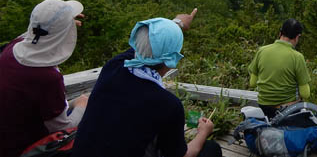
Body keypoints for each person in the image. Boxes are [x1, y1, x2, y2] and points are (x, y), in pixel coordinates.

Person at [72, 9, 222, 157]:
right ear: (172, 60)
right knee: (211, 149)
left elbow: (144, 47)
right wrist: (203, 132)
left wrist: (178, 23)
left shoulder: (114, 66)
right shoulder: (168, 104)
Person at [0, 0, 89, 157]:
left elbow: (35, 35)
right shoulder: (48, 78)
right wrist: (81, 105)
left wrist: (61, 26)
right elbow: (61, 128)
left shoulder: (12, 48)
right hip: (25, 149)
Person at [248, 19, 311, 119]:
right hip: (286, 110)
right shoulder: (297, 57)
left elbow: (252, 83)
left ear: (280, 33)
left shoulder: (262, 51)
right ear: (297, 37)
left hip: (264, 107)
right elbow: (305, 93)